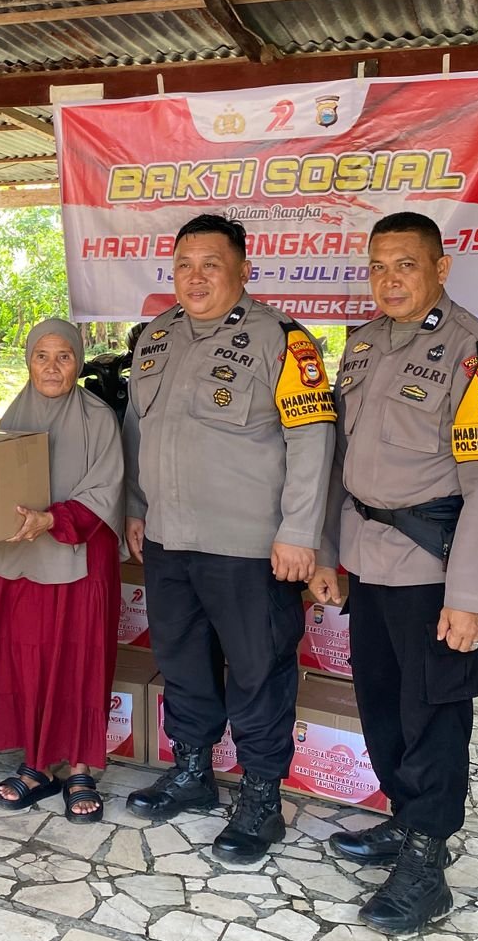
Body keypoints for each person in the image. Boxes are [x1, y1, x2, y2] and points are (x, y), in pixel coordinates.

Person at [310, 211, 478, 933]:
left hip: (432, 566)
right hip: (368, 560)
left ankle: (428, 862)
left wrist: (470, 597)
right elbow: (340, 463)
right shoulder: (363, 344)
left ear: (440, 267)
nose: (389, 280)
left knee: (434, 716)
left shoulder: (474, 353)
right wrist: (329, 553)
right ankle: (405, 819)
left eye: (405, 264)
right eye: (378, 266)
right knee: (383, 705)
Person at [123, 213, 336, 864]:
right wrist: (137, 506)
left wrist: (299, 532)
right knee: (182, 661)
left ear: (244, 270)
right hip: (168, 539)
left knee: (257, 672)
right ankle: (193, 773)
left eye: (210, 265)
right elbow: (137, 428)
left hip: (250, 549)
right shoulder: (156, 335)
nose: (195, 277)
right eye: (184, 266)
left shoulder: (283, 340)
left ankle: (262, 799)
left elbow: (313, 440)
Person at [0, 319, 124, 823]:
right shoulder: (13, 416)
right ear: (28, 362)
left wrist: (53, 519)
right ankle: (36, 763)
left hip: (79, 564)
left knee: (80, 662)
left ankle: (79, 768)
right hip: (21, 564)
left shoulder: (99, 418)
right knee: (27, 659)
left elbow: (105, 491)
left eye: (63, 356)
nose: (52, 367)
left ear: (78, 362)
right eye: (41, 356)